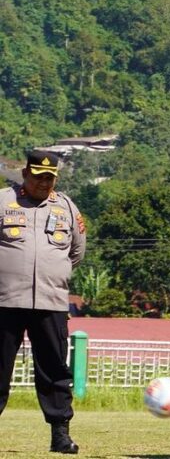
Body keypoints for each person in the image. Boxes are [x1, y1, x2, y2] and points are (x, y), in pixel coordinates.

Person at [0, 151, 86, 454]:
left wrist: (54, 273)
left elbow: (76, 251)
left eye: (49, 177)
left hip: (51, 302)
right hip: (5, 301)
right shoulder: (3, 201)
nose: (43, 182)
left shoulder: (66, 207)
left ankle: (60, 435)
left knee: (54, 370)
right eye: (38, 176)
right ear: (25, 174)